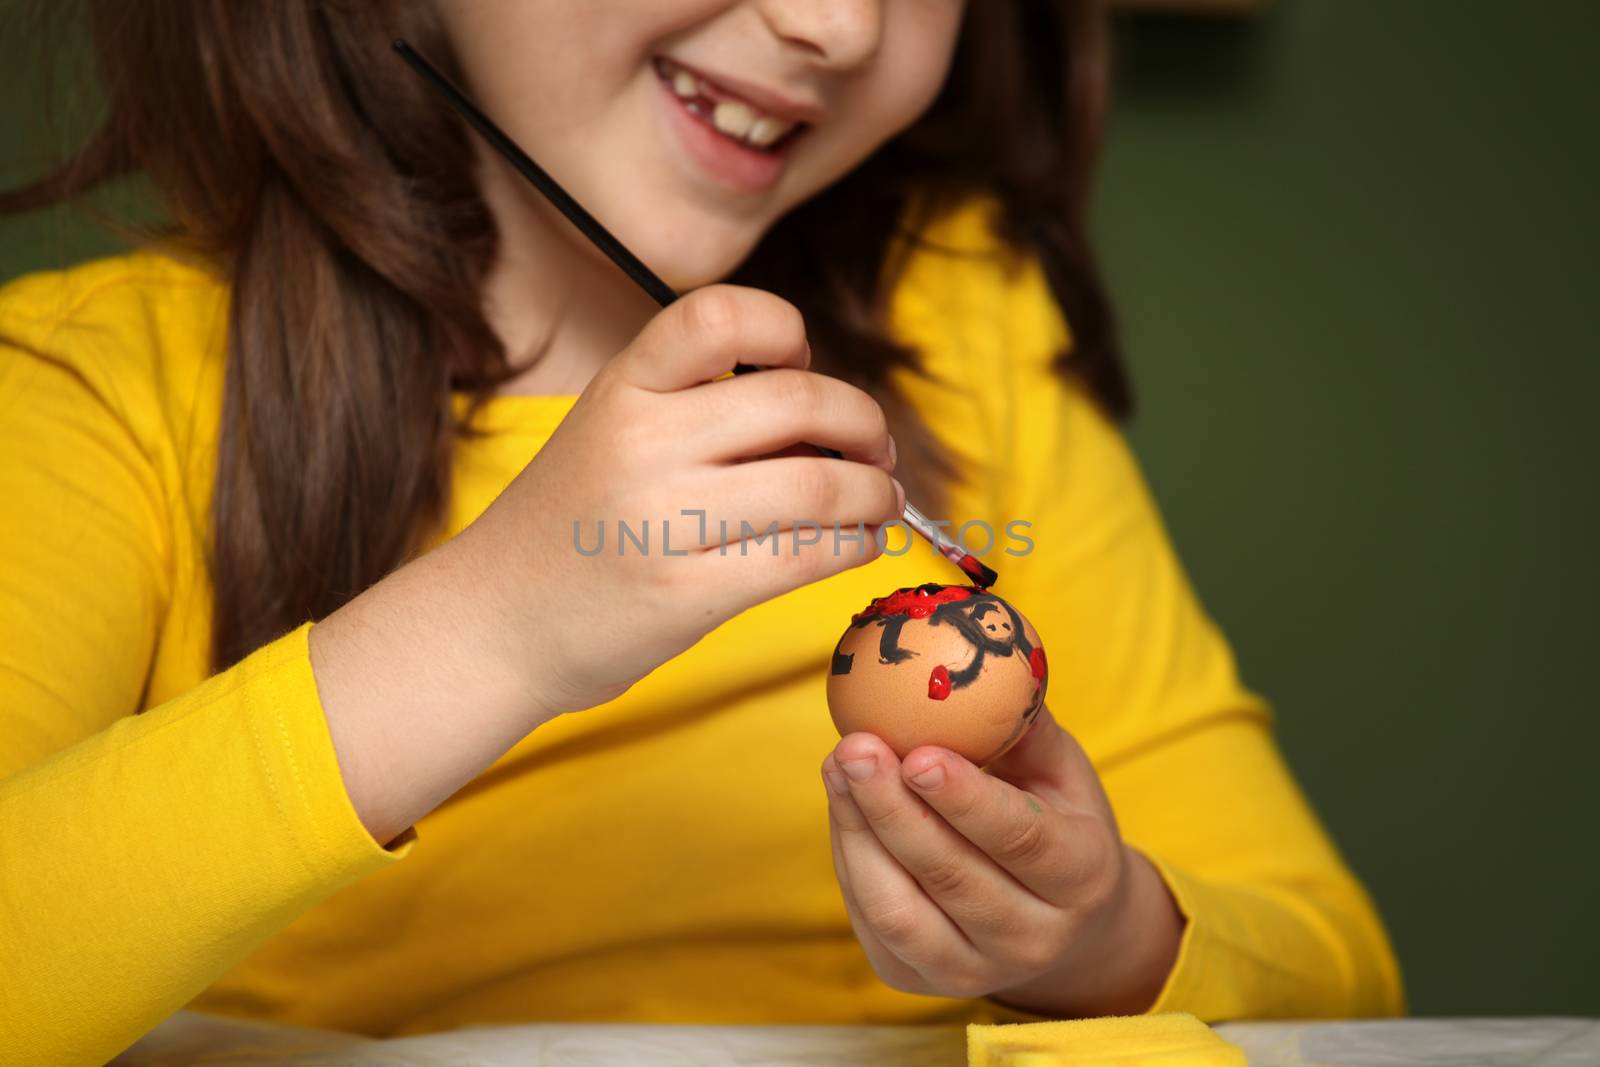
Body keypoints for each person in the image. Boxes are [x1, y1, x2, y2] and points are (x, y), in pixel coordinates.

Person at [0, 1, 1404, 1062]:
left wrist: (1101, 947)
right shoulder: (95, 393)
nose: (838, 24)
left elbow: (1341, 975)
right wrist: (494, 625)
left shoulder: (967, 338)